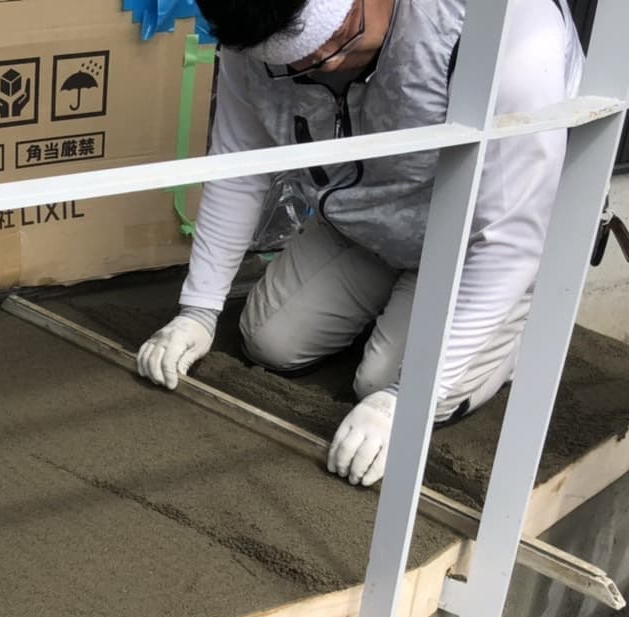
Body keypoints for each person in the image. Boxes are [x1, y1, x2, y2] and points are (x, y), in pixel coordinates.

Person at [136, 0, 584, 486]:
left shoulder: (504, 26)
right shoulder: (250, 28)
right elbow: (238, 165)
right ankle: (398, 305)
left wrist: (408, 399)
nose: (325, 64)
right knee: (271, 341)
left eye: (339, 37)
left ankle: (512, 328)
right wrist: (199, 308)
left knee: (381, 382)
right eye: (294, 62)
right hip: (366, 219)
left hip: (474, 238)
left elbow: (508, 235)